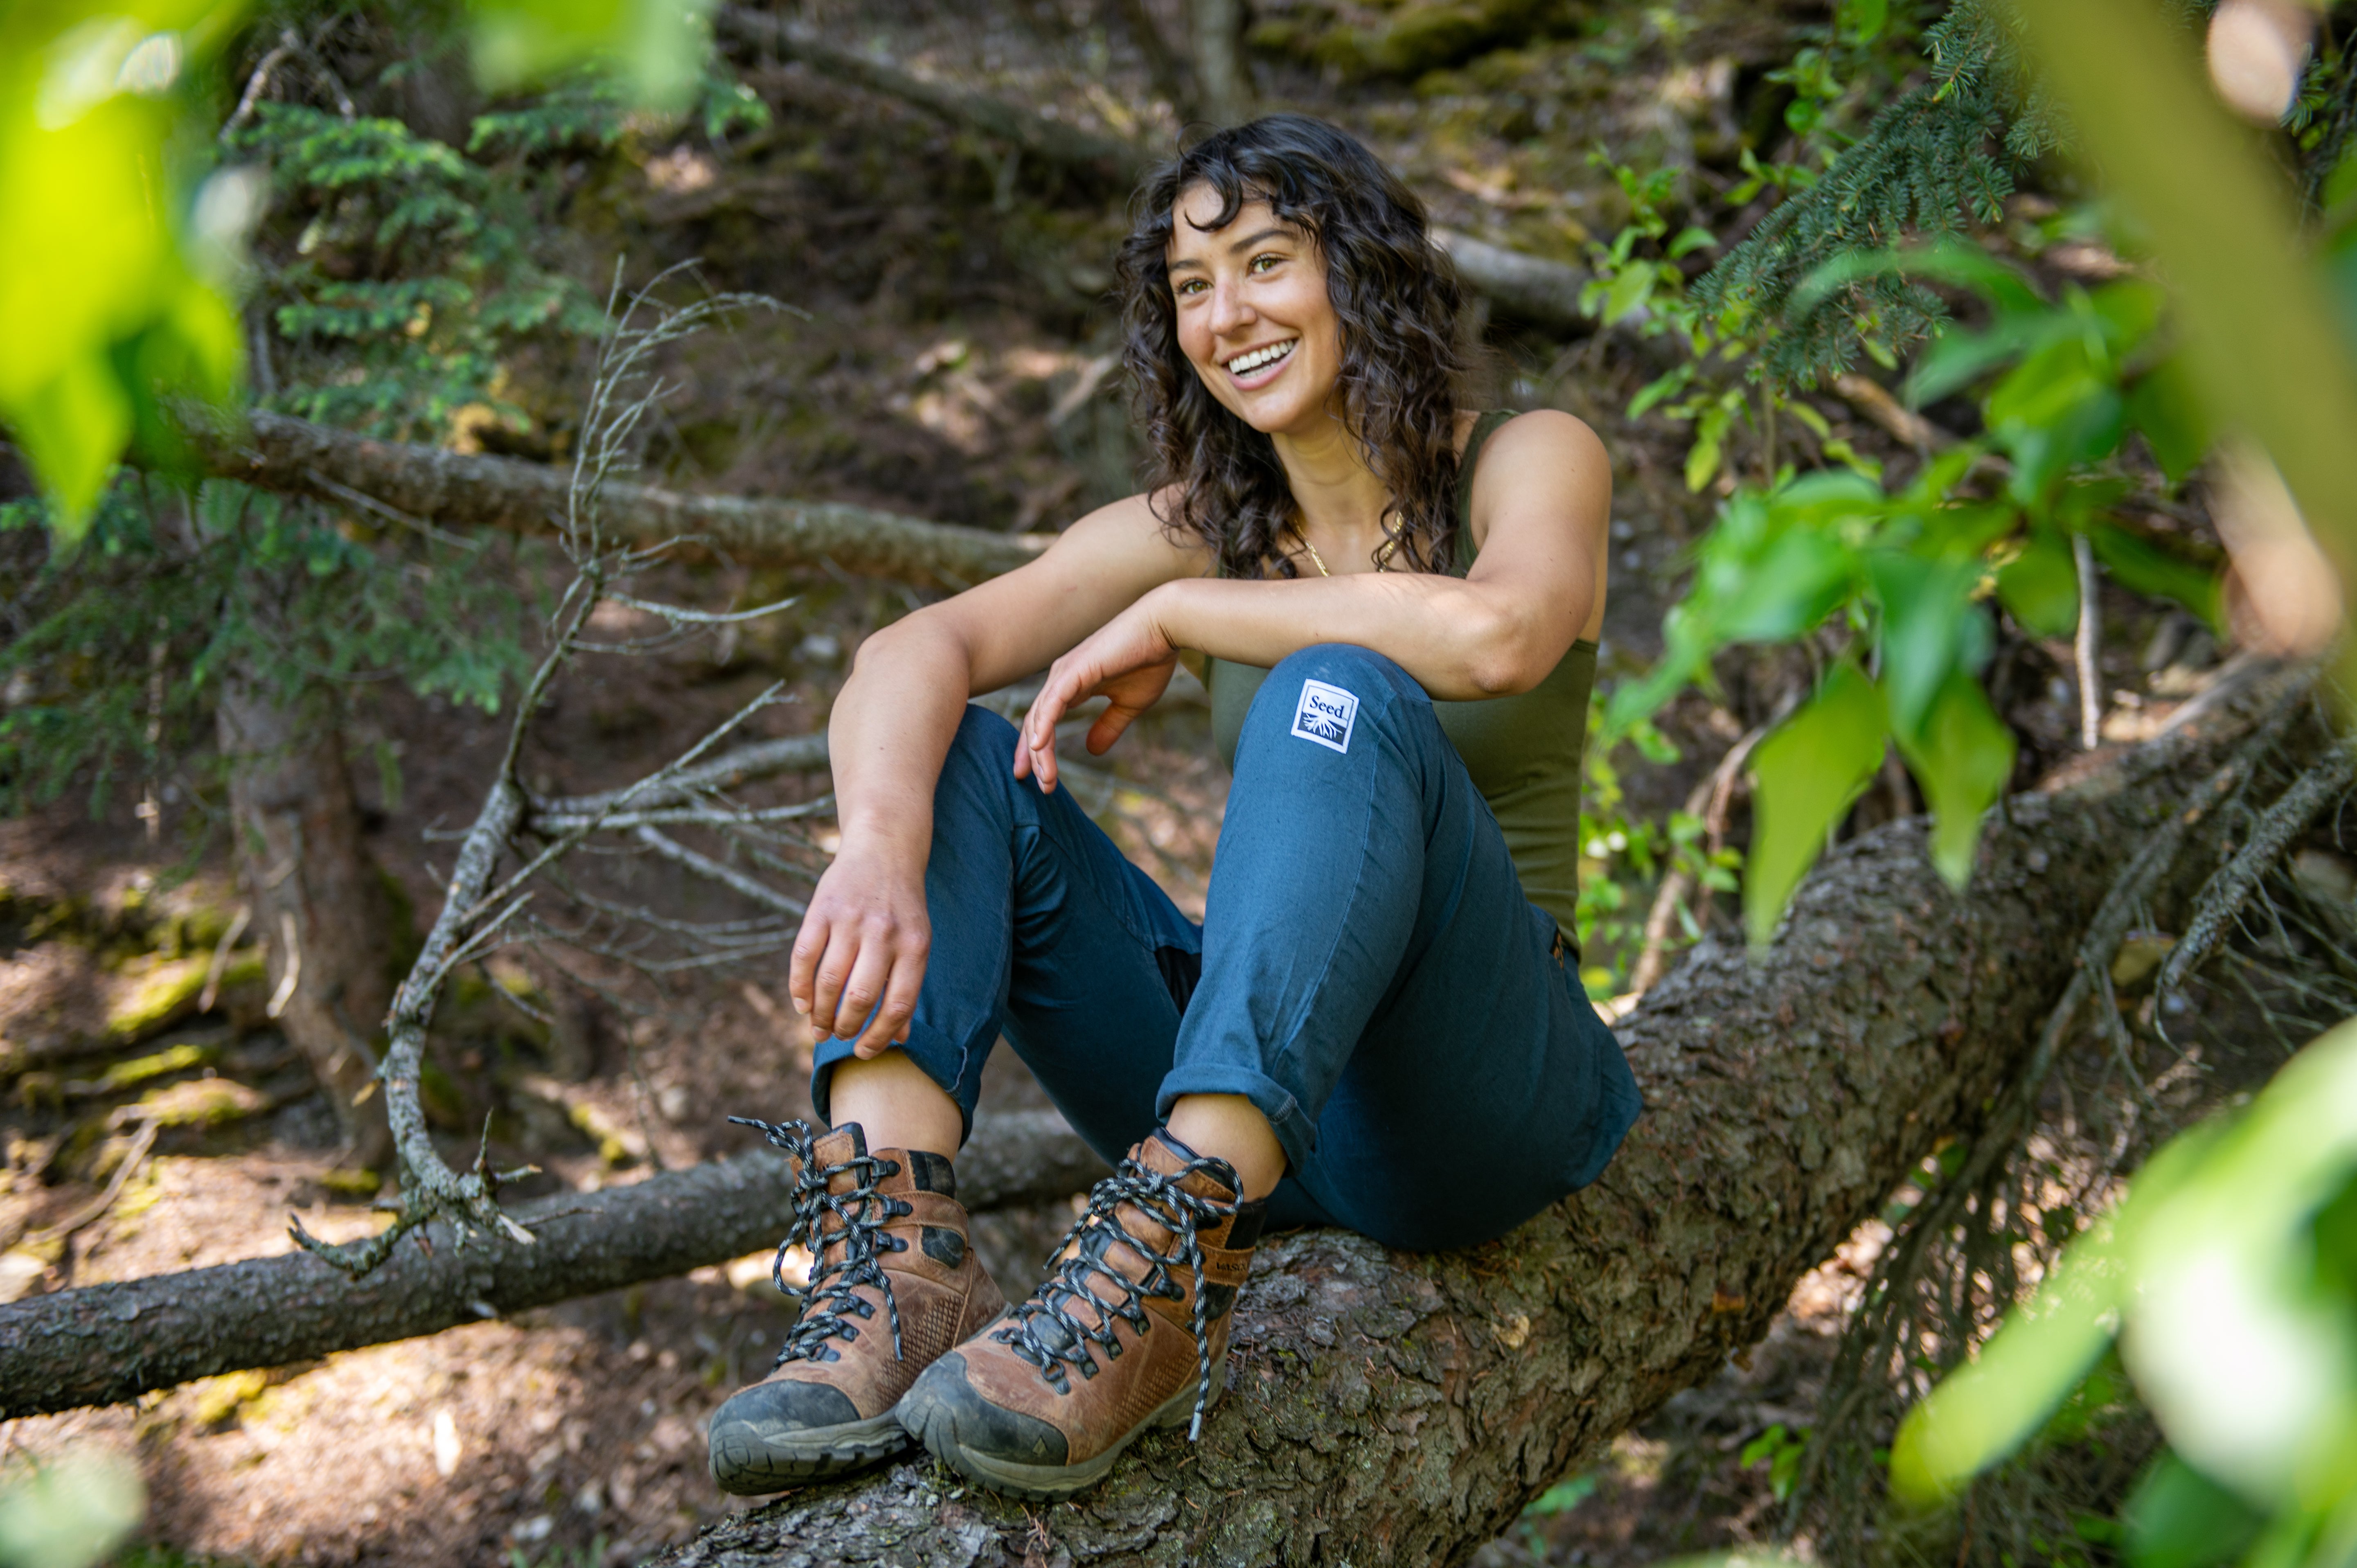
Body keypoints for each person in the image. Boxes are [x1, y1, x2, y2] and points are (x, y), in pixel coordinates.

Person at [705, 113, 1642, 1504]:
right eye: (1192, 288)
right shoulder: (1210, 521)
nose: (1226, 315)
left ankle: (1153, 1272)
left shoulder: (1526, 454)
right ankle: (899, 1274)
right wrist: (883, 850)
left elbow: (1501, 635)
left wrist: (1190, 612)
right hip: (1266, 1097)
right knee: (955, 755)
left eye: (1265, 262)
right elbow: (913, 648)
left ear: (1364, 269)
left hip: (1476, 1092)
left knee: (1337, 686)